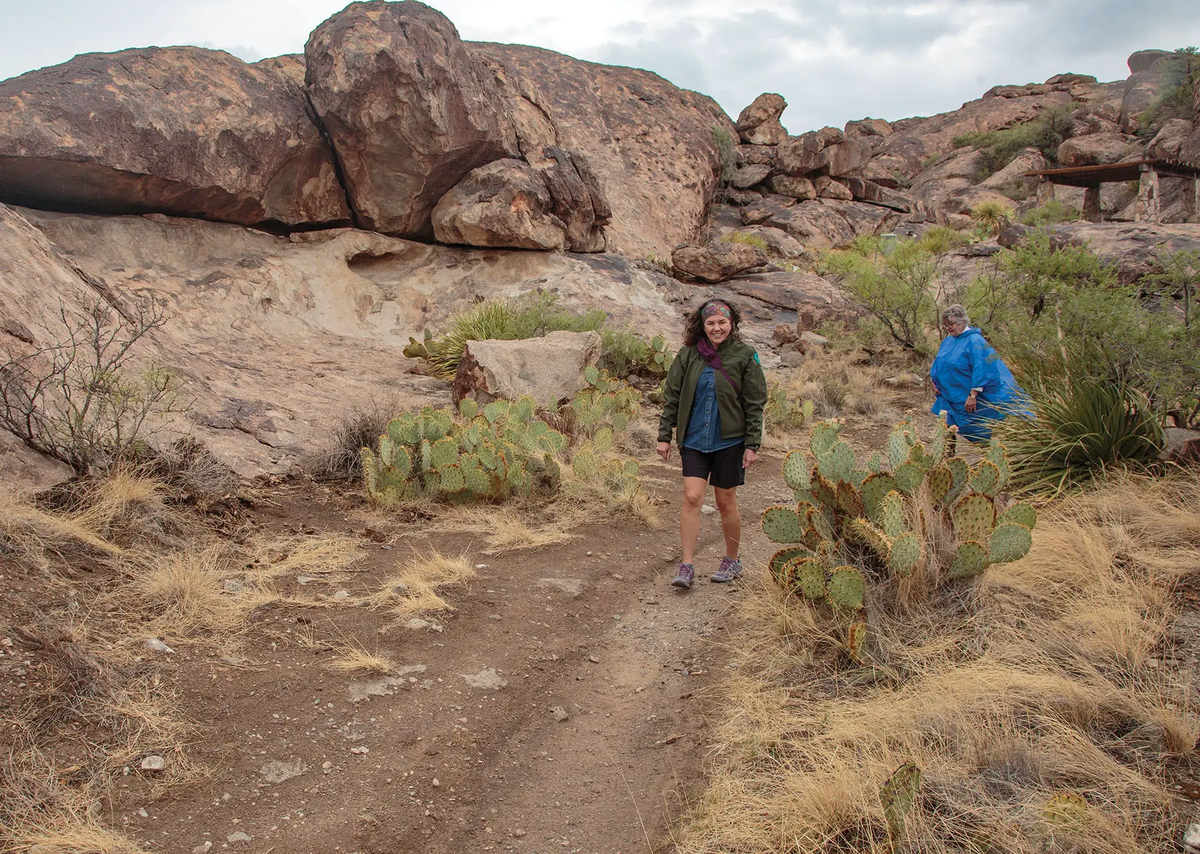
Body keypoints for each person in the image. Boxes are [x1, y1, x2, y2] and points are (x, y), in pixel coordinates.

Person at [656, 299, 768, 589]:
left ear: (731, 324)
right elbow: (673, 396)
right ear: (702, 326)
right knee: (692, 498)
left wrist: (752, 444)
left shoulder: (745, 355)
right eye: (710, 323)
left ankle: (732, 560)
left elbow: (755, 402)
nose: (716, 328)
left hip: (729, 441)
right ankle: (687, 565)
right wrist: (664, 436)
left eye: (722, 322)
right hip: (694, 439)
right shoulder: (688, 355)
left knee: (725, 502)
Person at [930, 304, 1024, 442]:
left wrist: (973, 395)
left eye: (951, 324)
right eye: (945, 325)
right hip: (948, 395)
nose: (948, 328)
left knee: (975, 427)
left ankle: (987, 450)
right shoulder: (949, 341)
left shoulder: (975, 341)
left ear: (963, 321)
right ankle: (947, 454)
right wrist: (935, 381)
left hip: (965, 395)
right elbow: (939, 362)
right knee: (946, 425)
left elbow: (982, 368)